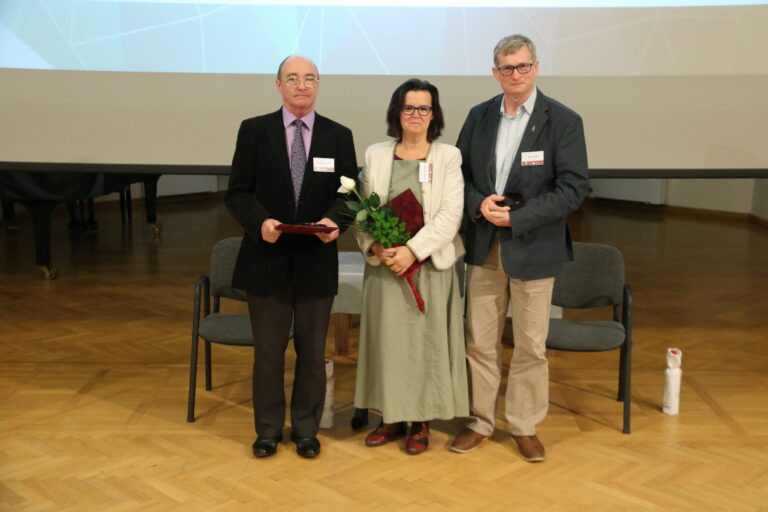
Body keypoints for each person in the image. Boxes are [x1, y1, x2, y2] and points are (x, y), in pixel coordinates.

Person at [450, 34, 589, 462]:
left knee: (530, 345)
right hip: (484, 245)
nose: (516, 74)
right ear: (495, 73)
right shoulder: (478, 116)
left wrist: (518, 217)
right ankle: (480, 421)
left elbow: (573, 188)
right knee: (479, 342)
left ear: (536, 67)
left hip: (534, 247)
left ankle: (524, 426)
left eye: (523, 66)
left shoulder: (563, 120)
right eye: (507, 68)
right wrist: (479, 203)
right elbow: (458, 175)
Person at [225, 55, 357, 459]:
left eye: (310, 78)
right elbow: (238, 192)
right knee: (268, 353)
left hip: (316, 261)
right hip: (266, 259)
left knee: (312, 353)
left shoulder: (338, 135)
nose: (302, 85)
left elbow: (350, 195)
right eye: (293, 78)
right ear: (278, 84)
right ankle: (267, 431)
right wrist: (260, 222)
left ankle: (305, 430)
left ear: (318, 85)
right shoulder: (254, 130)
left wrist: (335, 221)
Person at [354, 78, 468, 455]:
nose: (416, 115)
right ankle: (389, 417)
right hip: (386, 269)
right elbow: (362, 212)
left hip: (429, 269)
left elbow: (450, 214)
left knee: (424, 345)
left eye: (424, 108)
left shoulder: (448, 156)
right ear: (397, 113)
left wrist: (413, 251)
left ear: (433, 115)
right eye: (408, 107)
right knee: (389, 344)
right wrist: (377, 246)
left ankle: (420, 420)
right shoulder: (376, 154)